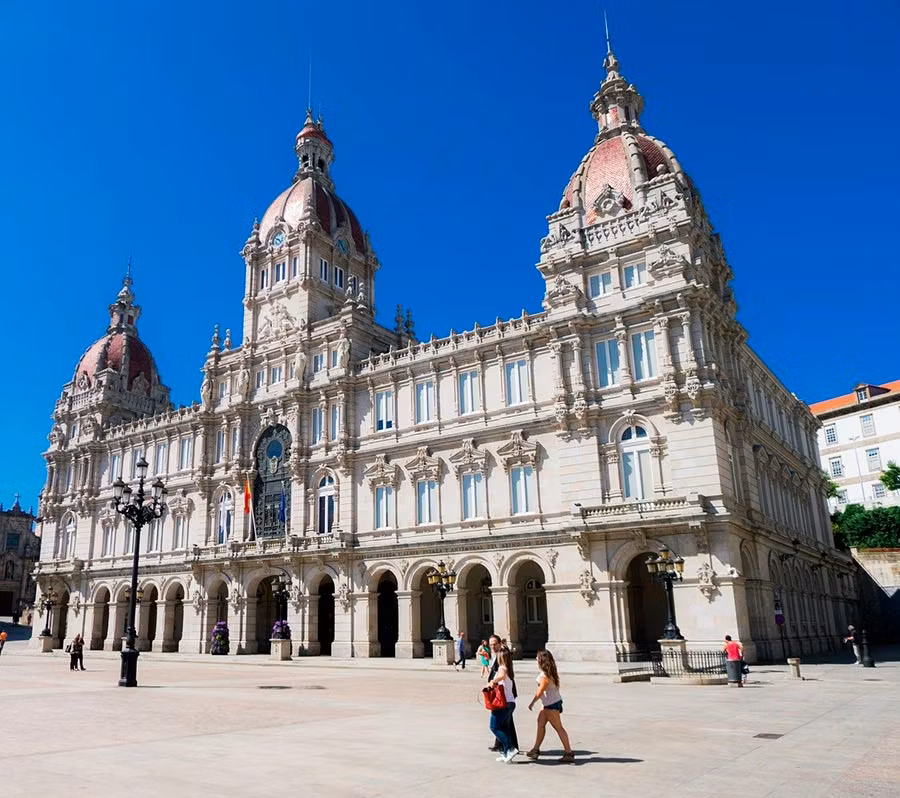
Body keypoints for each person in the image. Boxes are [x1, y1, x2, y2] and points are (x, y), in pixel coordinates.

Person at [525, 649, 575, 764]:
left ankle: (569, 752)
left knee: (559, 728)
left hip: (551, 705)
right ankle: (535, 750)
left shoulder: (544, 675)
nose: (536, 659)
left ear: (541, 660)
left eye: (537, 657)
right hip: (550, 703)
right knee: (540, 723)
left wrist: (533, 702)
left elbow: (541, 690)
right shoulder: (550, 671)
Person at [486, 635, 519, 753]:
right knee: (503, 721)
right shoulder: (497, 656)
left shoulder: (503, 656)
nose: (493, 646)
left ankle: (511, 745)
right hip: (500, 693)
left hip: (505, 695)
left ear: (500, 643)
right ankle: (501, 744)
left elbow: (501, 674)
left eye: (495, 644)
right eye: (491, 644)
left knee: (504, 721)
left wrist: (493, 681)